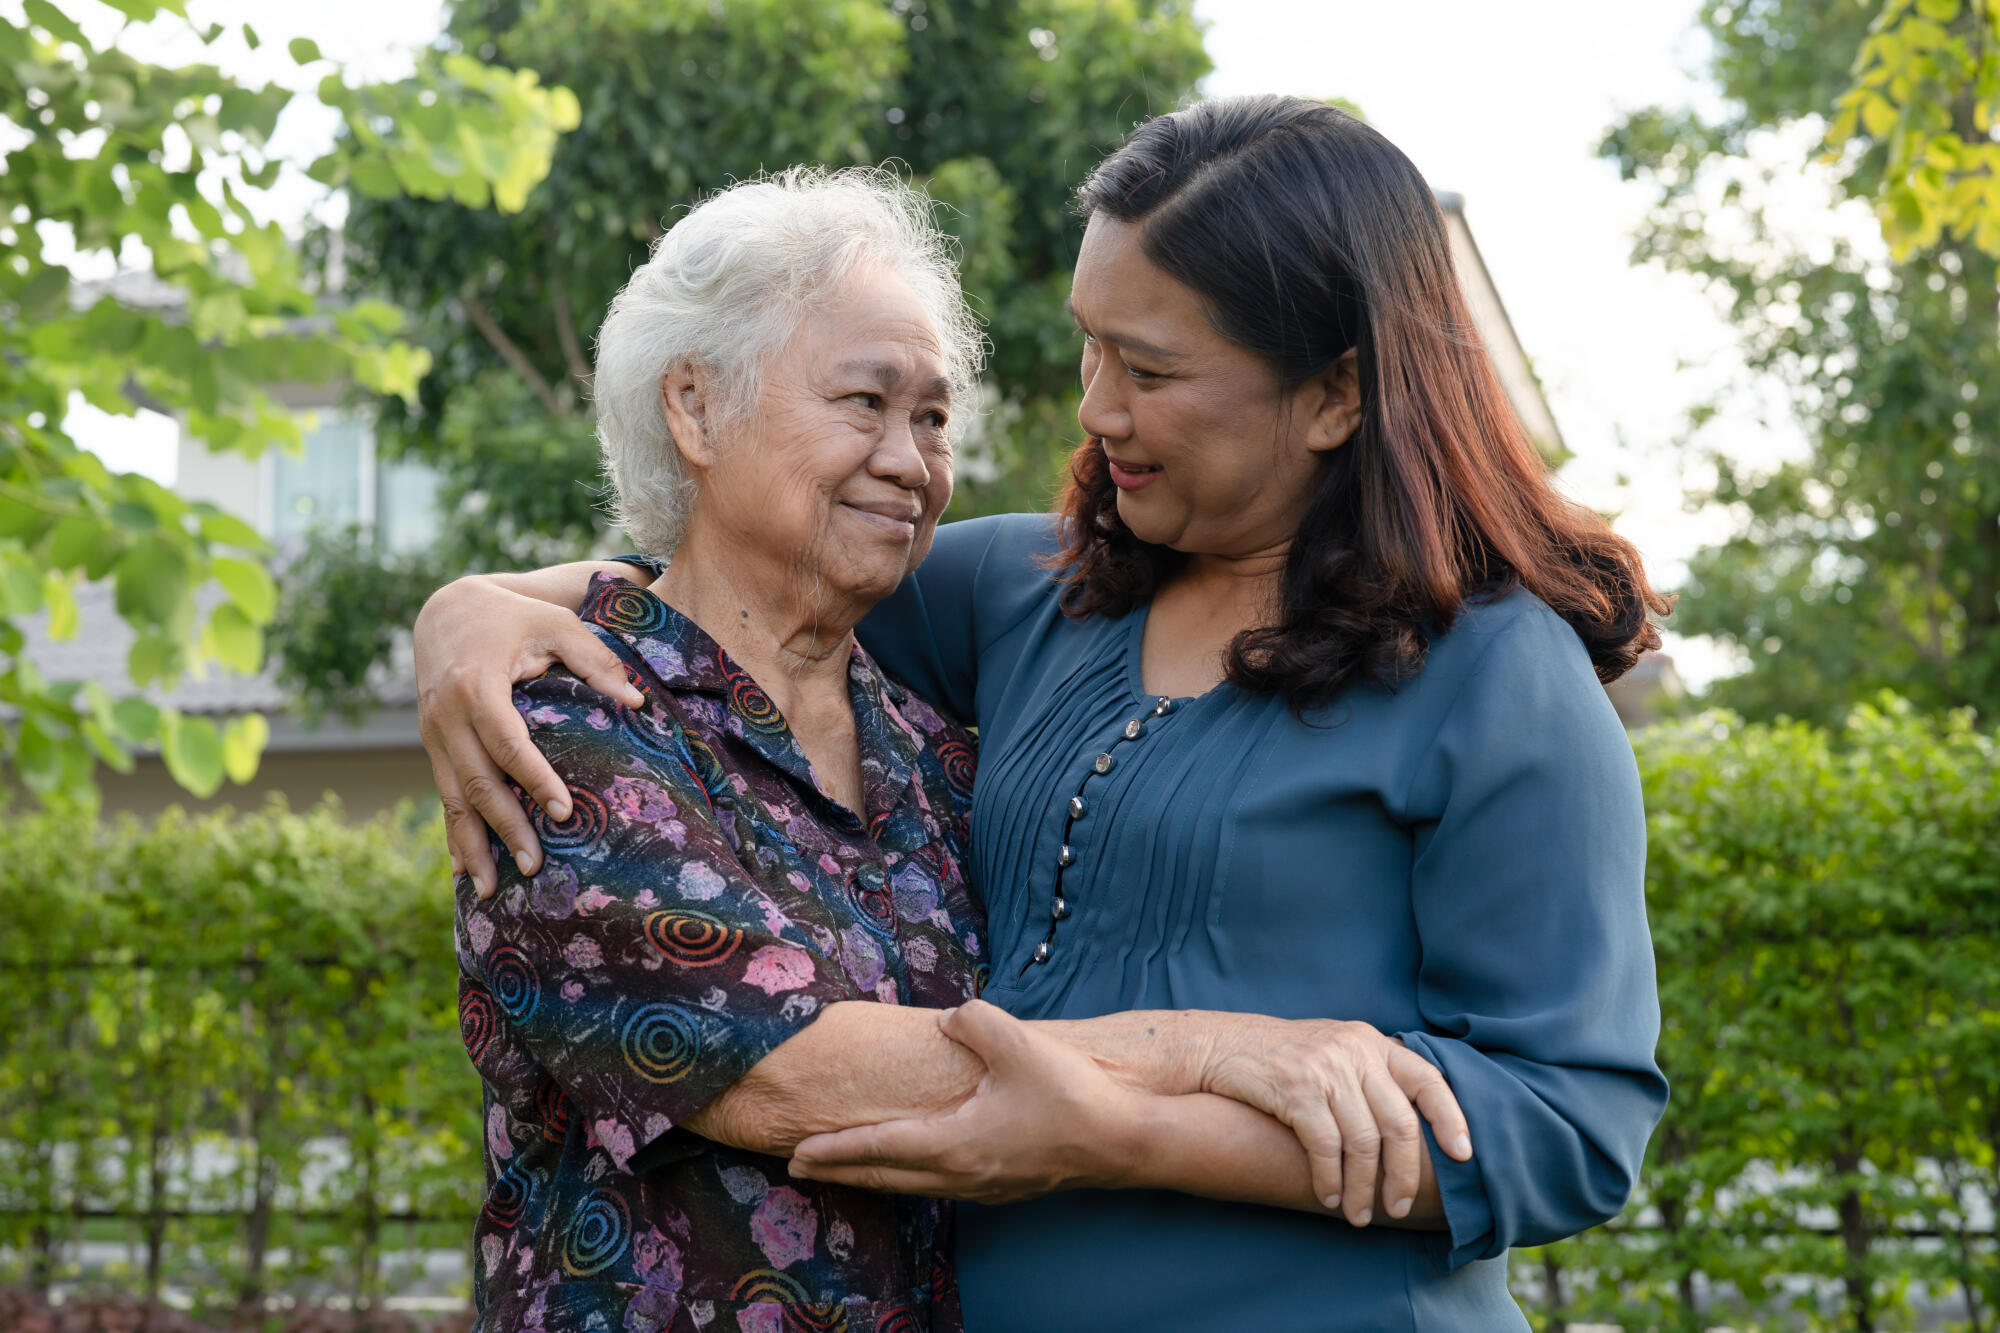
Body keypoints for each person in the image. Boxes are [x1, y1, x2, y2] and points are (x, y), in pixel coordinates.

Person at [423, 98, 1669, 1331]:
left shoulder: (1493, 670)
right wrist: (468, 612)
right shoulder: (1024, 599)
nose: (1097, 409)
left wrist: (1127, 1133)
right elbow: (732, 589)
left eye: (1153, 369)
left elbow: (1568, 1127)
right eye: (1091, 347)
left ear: (1334, 394)